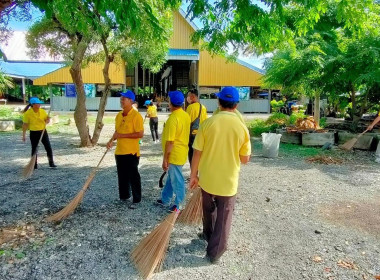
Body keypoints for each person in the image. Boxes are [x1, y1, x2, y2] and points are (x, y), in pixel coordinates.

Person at [189, 86, 251, 264]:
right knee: (224, 216)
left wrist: (194, 175)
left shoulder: (208, 123)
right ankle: (214, 252)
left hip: (207, 179)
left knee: (208, 210)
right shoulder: (241, 127)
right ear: (236, 105)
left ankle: (208, 234)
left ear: (218, 102)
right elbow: (245, 159)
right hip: (228, 181)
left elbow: (197, 152)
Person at [107, 91, 144, 209]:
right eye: (121, 98)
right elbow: (117, 132)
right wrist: (111, 140)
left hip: (131, 152)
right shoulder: (119, 115)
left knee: (133, 175)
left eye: (124, 98)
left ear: (131, 101)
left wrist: (121, 136)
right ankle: (124, 196)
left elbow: (140, 134)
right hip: (120, 151)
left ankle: (137, 198)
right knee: (122, 175)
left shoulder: (136, 116)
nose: (121, 100)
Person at [156, 90, 190, 212]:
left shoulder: (173, 119)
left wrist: (165, 159)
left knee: (177, 180)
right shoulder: (185, 115)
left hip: (174, 154)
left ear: (170, 103)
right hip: (181, 151)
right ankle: (165, 198)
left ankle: (179, 203)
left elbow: (170, 142)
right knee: (171, 178)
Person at [22, 97, 56, 169]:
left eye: (39, 103)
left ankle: (51, 163)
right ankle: (34, 165)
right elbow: (25, 125)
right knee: (34, 149)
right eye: (38, 103)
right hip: (34, 133)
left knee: (48, 147)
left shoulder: (42, 111)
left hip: (43, 131)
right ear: (33, 105)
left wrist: (47, 120)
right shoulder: (27, 113)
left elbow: (47, 120)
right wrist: (24, 135)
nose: (39, 105)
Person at [186, 89, 207, 164]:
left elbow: (187, 122)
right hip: (202, 134)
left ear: (192, 96)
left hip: (193, 134)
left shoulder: (190, 107)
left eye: (188, 96)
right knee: (200, 154)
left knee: (192, 154)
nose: (187, 97)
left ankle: (193, 172)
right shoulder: (203, 107)